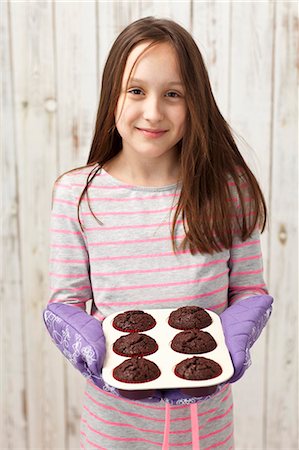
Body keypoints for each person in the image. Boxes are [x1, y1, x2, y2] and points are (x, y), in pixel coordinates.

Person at [43, 17, 273, 450]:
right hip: (112, 430)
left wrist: (237, 333)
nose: (153, 111)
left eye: (173, 94)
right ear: (112, 94)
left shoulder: (228, 188)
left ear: (195, 103)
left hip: (207, 431)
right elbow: (67, 301)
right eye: (136, 90)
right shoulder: (76, 194)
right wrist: (89, 347)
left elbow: (249, 288)